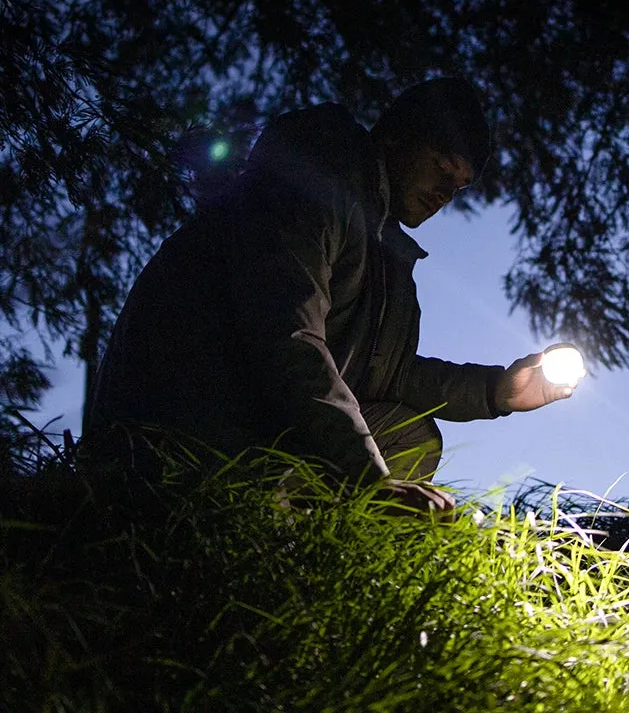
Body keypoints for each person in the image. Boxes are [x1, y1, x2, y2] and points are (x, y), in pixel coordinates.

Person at [84, 78, 577, 515]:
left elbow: (390, 375)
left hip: (249, 422)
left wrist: (497, 392)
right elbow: (285, 336)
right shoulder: (312, 182)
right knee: (379, 452)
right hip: (179, 423)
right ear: (395, 138)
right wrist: (370, 482)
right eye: (441, 167)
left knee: (410, 437)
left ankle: (301, 540)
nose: (446, 191)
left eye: (459, 185)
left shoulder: (387, 257)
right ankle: (235, 526)